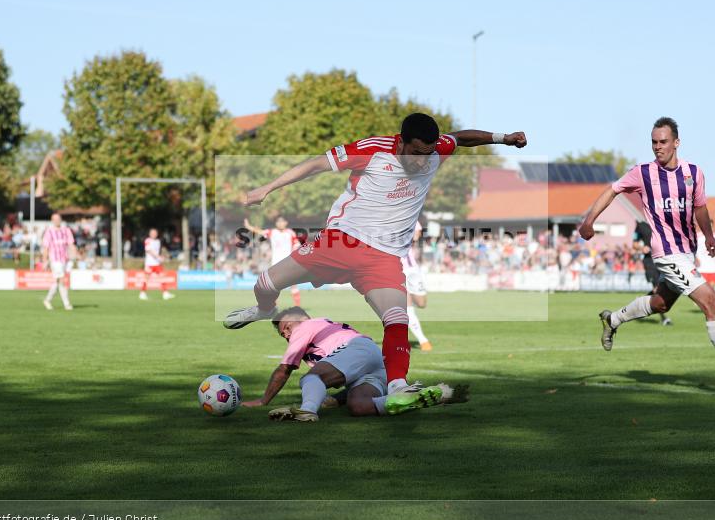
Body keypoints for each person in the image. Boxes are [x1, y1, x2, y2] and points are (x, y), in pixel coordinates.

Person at [224, 112, 527, 396]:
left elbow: (460, 137)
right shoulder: (373, 149)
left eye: (429, 154)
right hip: (340, 242)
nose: (424, 161)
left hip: (385, 256)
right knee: (265, 283)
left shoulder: (436, 150)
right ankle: (265, 309)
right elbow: (316, 164)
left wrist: (503, 137)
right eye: (417, 153)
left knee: (397, 318)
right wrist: (268, 187)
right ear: (401, 141)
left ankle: (397, 386)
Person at [578, 117, 715, 394]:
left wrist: (710, 236)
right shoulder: (643, 173)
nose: (658, 147)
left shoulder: (693, 173)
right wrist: (589, 220)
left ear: (676, 142)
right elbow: (612, 190)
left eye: (663, 142)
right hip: (666, 254)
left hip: (687, 251)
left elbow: (700, 208)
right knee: (712, 304)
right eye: (654, 142)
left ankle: (613, 319)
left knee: (661, 304)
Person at [241, 307, 468, 422]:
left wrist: (263, 400)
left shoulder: (306, 326)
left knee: (311, 378)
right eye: (284, 334)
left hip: (357, 349)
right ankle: (428, 395)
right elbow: (346, 377)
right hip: (374, 360)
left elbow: (284, 369)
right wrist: (336, 400)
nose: (288, 335)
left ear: (299, 320)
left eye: (287, 329)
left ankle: (307, 412)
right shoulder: (319, 339)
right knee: (358, 405)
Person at [243, 215, 301, 306]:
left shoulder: (290, 233)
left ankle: (297, 307)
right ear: (276, 223)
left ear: (286, 223)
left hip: (289, 263)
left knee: (293, 285)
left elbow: (296, 245)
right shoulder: (272, 232)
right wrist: (248, 227)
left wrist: (295, 252)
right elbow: (260, 232)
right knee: (275, 286)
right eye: (278, 222)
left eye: (282, 221)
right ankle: (274, 307)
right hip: (276, 263)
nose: (280, 223)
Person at [634, 220, 672, 326]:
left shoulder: (663, 221)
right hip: (650, 261)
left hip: (664, 259)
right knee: (657, 289)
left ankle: (640, 303)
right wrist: (642, 248)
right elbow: (635, 243)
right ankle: (664, 318)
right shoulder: (641, 226)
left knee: (664, 288)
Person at [402, 221, 433, 351]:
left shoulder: (409, 215)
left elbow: (416, 235)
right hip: (396, 271)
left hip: (413, 271)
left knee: (421, 303)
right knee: (408, 309)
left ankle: (406, 305)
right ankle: (423, 341)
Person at [41, 213, 75, 311]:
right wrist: (44, 260)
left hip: (64, 259)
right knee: (62, 280)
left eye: (58, 219)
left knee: (57, 282)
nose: (57, 221)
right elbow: (46, 247)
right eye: (54, 219)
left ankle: (47, 300)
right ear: (52, 221)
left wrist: (76, 255)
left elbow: (71, 244)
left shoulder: (66, 230)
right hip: (55, 260)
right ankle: (67, 304)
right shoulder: (49, 232)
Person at [140, 228, 174, 300]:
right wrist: (158, 257)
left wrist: (165, 256)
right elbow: (149, 250)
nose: (154, 234)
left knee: (162, 277)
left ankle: (165, 293)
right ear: (150, 234)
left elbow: (159, 251)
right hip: (149, 263)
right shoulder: (148, 240)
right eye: (152, 233)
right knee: (146, 278)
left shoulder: (158, 241)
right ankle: (142, 293)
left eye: (155, 233)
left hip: (157, 264)